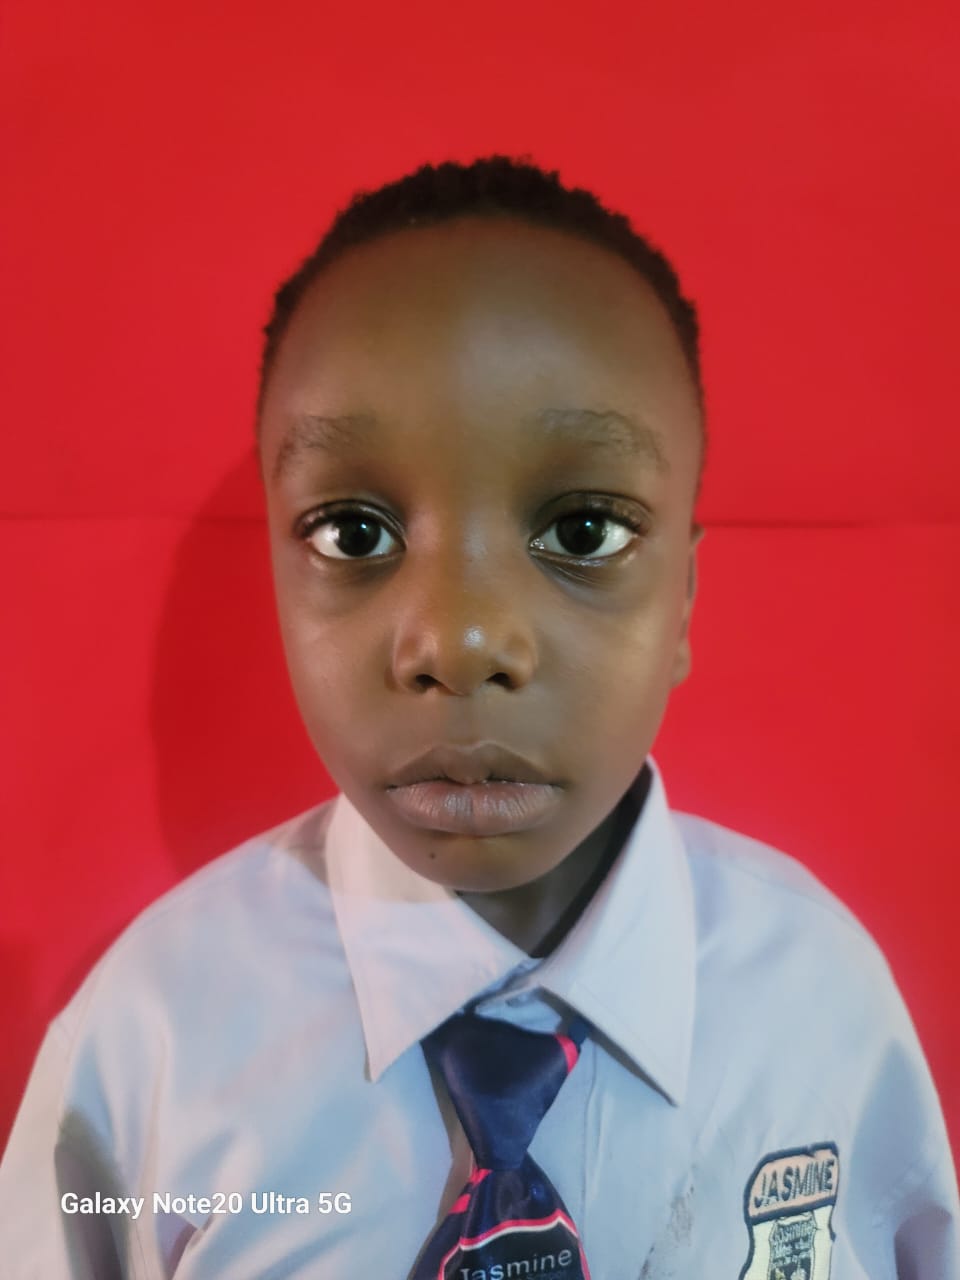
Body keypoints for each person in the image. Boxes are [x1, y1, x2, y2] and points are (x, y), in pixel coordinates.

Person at [1, 157, 956, 1278]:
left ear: (685, 604)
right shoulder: (152, 1045)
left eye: (585, 532)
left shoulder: (821, 1007)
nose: (458, 640)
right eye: (353, 533)